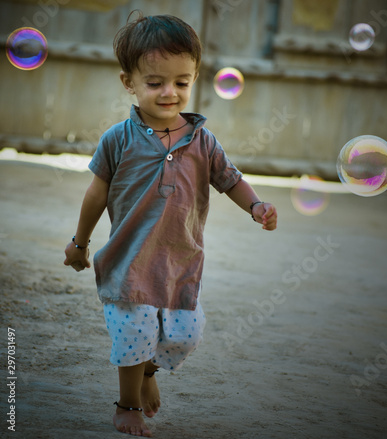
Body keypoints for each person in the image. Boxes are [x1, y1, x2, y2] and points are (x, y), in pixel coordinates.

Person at [63, 11, 277, 437]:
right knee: (132, 333)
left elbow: (229, 179)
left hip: (180, 259)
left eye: (182, 82)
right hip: (128, 259)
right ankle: (127, 406)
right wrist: (79, 243)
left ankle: (147, 373)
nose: (170, 92)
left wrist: (256, 206)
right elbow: (95, 195)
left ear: (195, 78)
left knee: (186, 333)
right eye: (155, 82)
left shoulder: (202, 140)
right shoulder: (117, 139)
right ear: (129, 82)